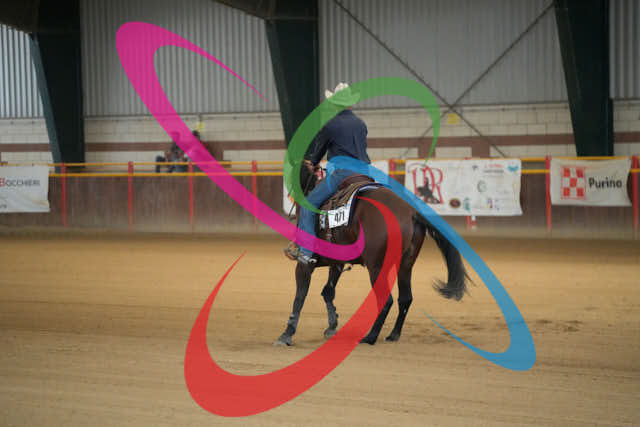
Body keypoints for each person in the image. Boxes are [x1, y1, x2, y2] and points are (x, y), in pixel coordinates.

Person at [284, 82, 371, 265]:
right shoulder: (361, 124)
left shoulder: (330, 125)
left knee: (308, 205)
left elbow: (318, 153)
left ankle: (306, 252)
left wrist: (313, 163)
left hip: (342, 175)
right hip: (365, 174)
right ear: (350, 104)